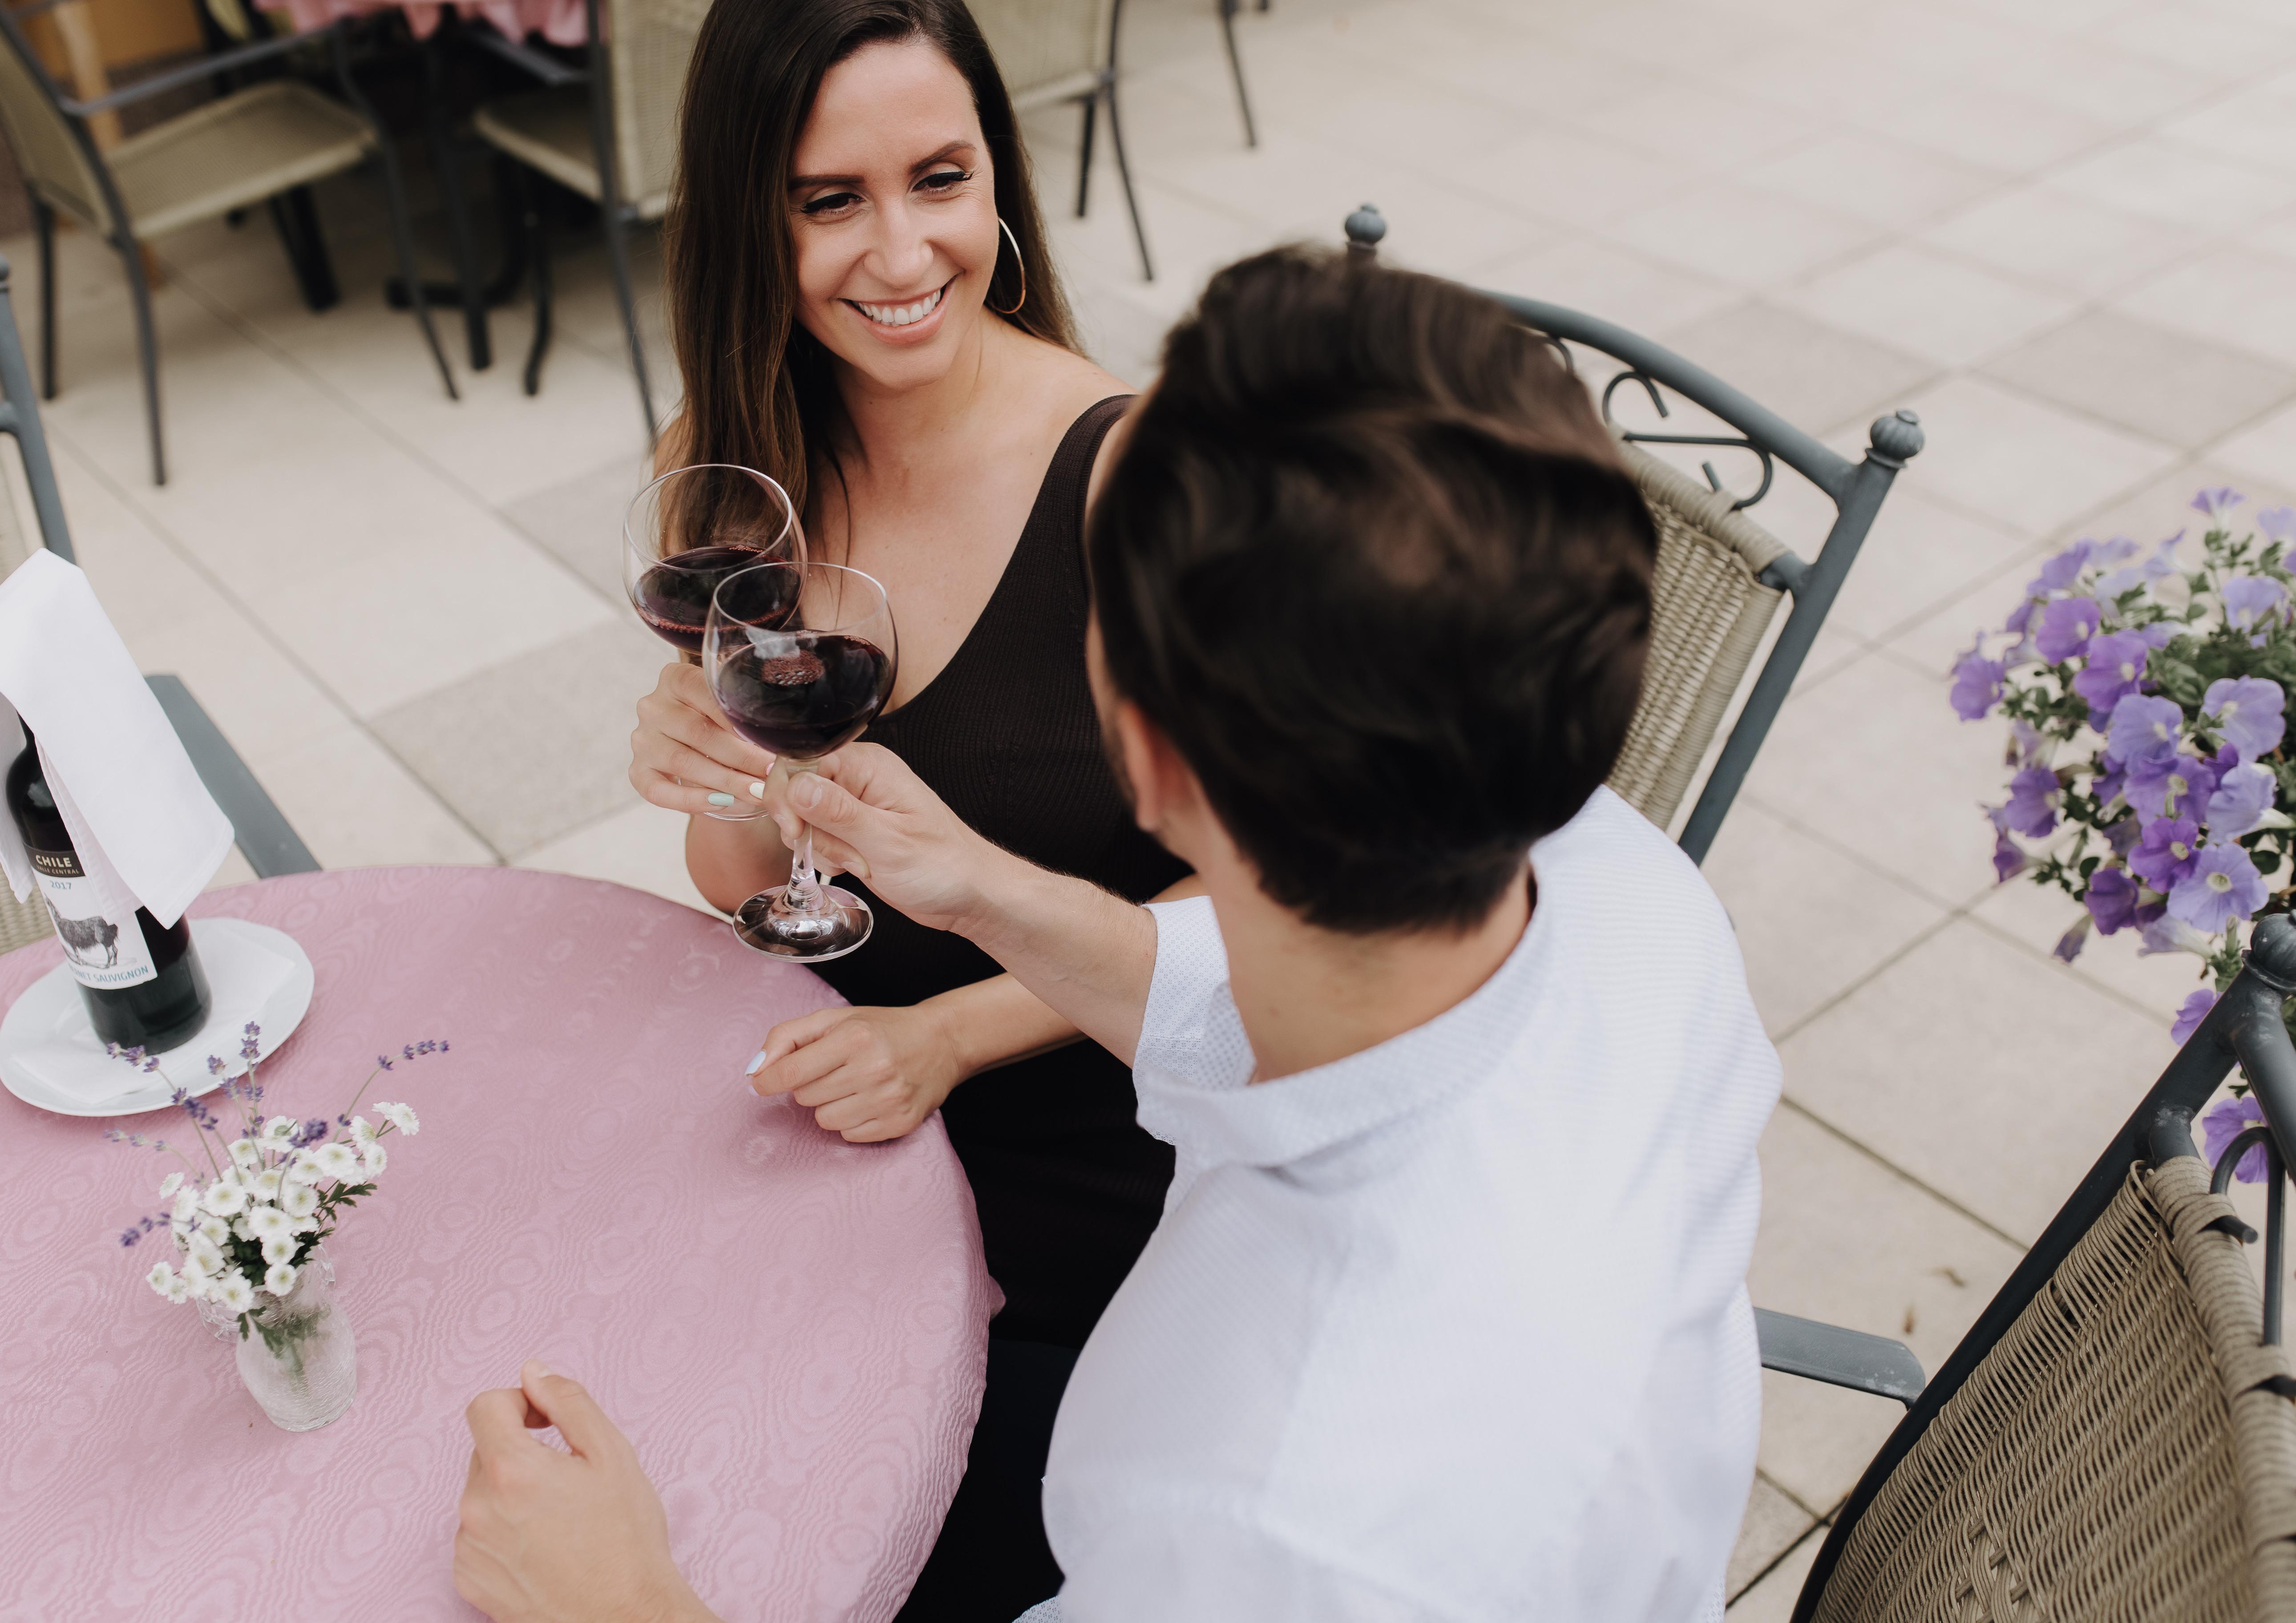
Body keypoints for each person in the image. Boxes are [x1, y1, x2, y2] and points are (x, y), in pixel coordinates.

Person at [479, 246, 1781, 1621]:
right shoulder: (1619, 880)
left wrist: (622, 1604)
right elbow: (1241, 992)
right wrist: (982, 886)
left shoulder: (1273, 1521)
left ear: (1147, 759)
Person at [626, 2, 1198, 1612]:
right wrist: (708, 763)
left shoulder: (1136, 481)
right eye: (831, 201)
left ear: (996, 177)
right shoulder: (731, 463)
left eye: (939, 179)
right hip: (842, 1117)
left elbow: (1264, 909)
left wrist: (946, 1038)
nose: (900, 253)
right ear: (752, 222)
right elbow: (750, 878)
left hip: (1095, 1168)